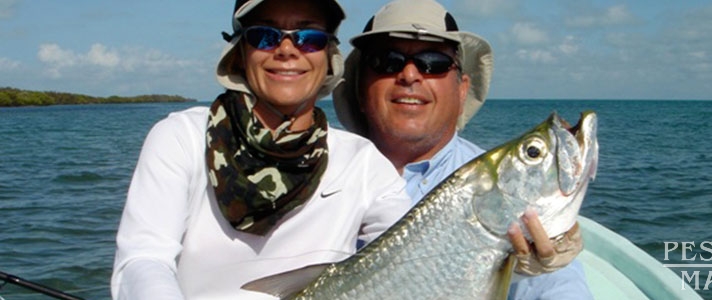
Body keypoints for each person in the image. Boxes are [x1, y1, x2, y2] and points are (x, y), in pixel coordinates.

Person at [110, 1, 412, 299]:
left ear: (329, 56)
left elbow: (411, 262)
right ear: (240, 53)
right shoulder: (182, 137)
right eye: (264, 35)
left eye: (310, 39)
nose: (286, 49)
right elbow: (143, 259)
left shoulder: (363, 163)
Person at [333, 0, 592, 299]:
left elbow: (560, 288)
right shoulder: (319, 173)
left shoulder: (502, 188)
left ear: (462, 89)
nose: (410, 75)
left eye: (433, 62)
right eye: (386, 61)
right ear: (359, 88)